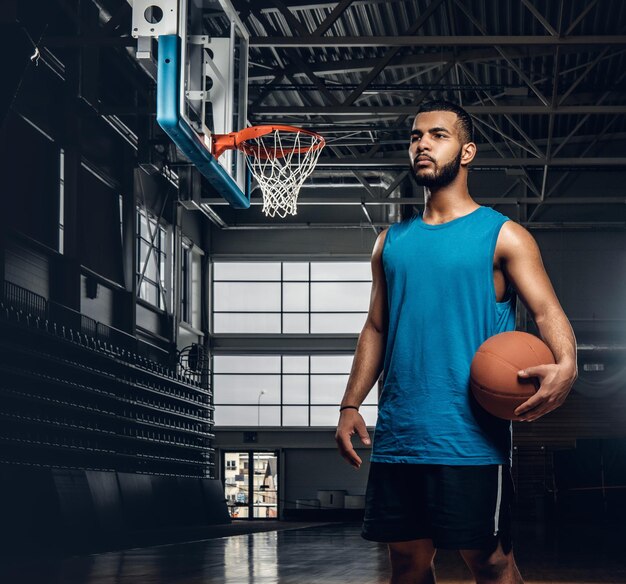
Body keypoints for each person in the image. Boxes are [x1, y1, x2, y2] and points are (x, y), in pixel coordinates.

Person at [335, 100, 578, 584]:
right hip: (401, 437)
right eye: (415, 136)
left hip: (470, 441)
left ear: (467, 152)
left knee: (489, 564)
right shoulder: (390, 242)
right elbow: (376, 327)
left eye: (437, 135)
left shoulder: (504, 235)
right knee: (405, 564)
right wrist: (350, 403)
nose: (422, 143)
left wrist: (567, 363)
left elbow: (548, 310)